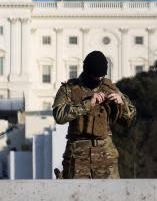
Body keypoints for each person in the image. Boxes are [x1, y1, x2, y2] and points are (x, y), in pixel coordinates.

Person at [52, 50, 135, 179]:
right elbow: (59, 115)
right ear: (87, 71)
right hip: (77, 156)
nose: (99, 80)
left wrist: (121, 104)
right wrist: (86, 105)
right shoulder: (69, 89)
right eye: (95, 76)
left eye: (101, 76)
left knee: (110, 196)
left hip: (105, 155)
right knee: (76, 196)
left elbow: (129, 121)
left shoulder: (109, 88)